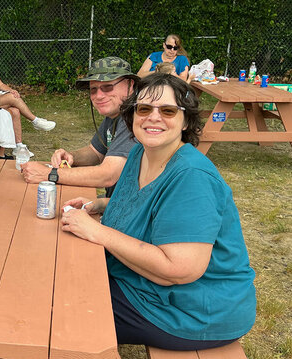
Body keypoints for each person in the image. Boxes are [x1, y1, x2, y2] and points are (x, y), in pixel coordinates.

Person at [60, 73, 256, 350]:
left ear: (186, 120)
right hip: (147, 287)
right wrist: (100, 206)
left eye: (167, 110)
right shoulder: (141, 153)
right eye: (143, 109)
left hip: (190, 310)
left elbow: (179, 270)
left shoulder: (191, 176)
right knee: (61, 276)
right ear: (132, 116)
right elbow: (146, 203)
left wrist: (97, 232)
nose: (154, 117)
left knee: (61, 310)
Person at [21, 57, 139, 197]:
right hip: (115, 202)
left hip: (135, 211)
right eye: (93, 90)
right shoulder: (115, 113)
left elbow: (108, 175)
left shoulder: (137, 116)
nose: (99, 96)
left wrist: (49, 174)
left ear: (130, 85)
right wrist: (72, 156)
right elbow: (95, 152)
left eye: (107, 87)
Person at [0, 39, 56, 132]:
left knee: (15, 111)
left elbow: (0, 84)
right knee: (13, 98)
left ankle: (19, 145)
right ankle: (35, 121)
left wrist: (10, 90)